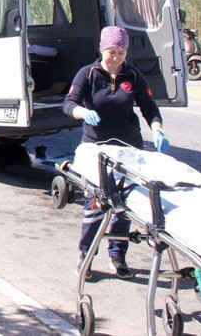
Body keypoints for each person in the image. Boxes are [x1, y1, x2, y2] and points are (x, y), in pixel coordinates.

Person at [63, 26, 170, 280]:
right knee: (96, 205)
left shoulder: (132, 75)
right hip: (96, 149)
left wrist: (157, 129)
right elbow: (70, 103)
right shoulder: (87, 74)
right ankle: (86, 256)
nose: (117, 57)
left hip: (128, 148)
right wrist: (82, 113)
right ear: (102, 50)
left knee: (125, 206)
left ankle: (118, 255)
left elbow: (149, 106)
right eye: (112, 52)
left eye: (122, 52)